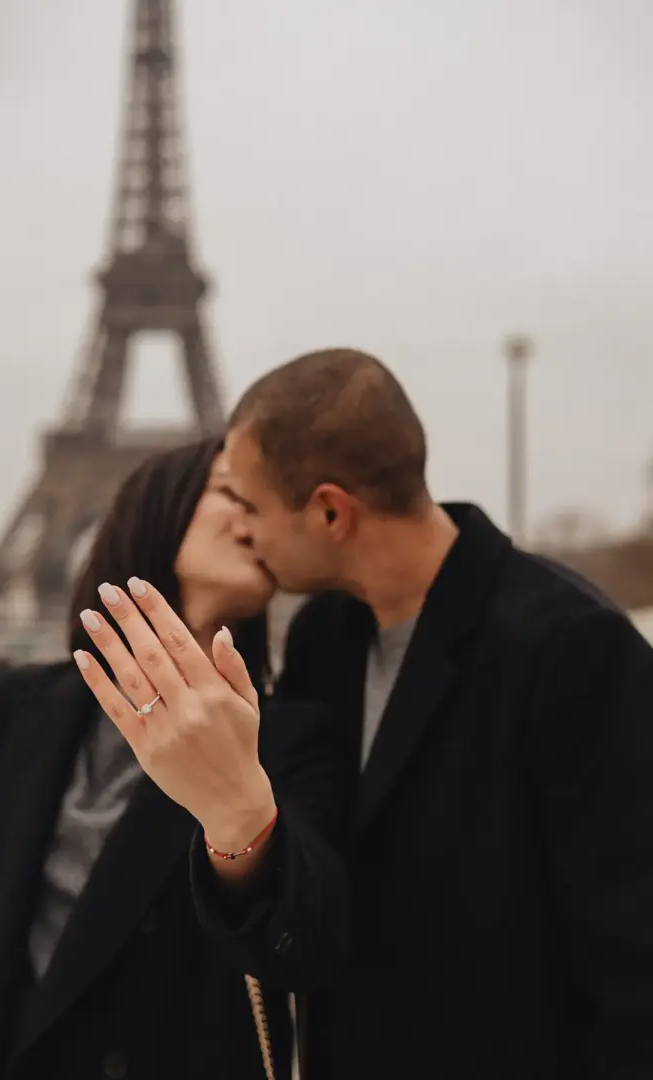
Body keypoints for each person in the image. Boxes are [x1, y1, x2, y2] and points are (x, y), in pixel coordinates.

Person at [182, 347, 653, 1078]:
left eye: (250, 506)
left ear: (331, 511)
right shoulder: (322, 639)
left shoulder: (575, 647)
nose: (243, 530)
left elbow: (633, 969)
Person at [0, 439, 347, 1080]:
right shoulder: (11, 704)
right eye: (233, 491)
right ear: (160, 506)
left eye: (267, 502)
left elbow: (304, 946)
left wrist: (239, 809)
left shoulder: (291, 737)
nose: (255, 514)